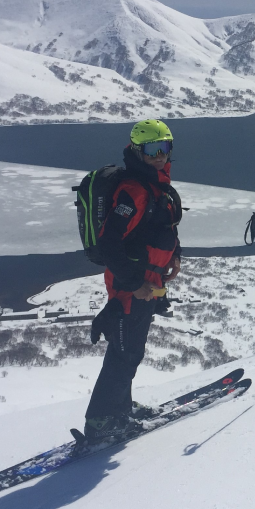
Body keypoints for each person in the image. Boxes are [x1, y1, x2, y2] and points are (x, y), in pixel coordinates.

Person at [84, 119, 182, 440]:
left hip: (147, 284)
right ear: (138, 152)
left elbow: (163, 228)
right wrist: (134, 285)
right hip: (132, 287)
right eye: (152, 150)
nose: (159, 157)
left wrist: (175, 257)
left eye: (164, 149)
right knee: (124, 353)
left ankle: (120, 408)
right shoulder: (134, 192)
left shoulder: (156, 186)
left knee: (131, 349)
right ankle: (101, 423)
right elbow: (110, 243)